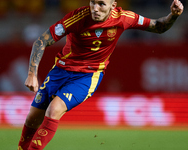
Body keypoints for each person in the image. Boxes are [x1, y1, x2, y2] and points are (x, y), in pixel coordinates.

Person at [17, 0, 184, 149]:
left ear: (113, 5)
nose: (95, 8)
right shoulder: (77, 17)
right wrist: (32, 74)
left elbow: (158, 26)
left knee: (54, 110)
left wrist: (173, 16)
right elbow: (42, 40)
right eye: (92, 2)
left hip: (87, 76)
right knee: (32, 118)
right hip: (60, 71)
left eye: (101, 4)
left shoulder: (124, 17)